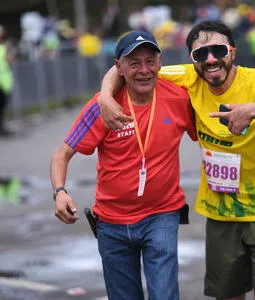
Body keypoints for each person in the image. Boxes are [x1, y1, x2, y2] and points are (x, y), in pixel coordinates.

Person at [97, 21, 255, 300]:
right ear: (192, 60)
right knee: (227, 294)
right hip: (221, 211)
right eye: (200, 54)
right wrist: (105, 97)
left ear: (233, 52)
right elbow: (128, 67)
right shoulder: (188, 77)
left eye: (218, 50)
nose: (211, 59)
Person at [50, 30, 197, 300]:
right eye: (134, 63)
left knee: (165, 295)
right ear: (119, 67)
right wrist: (59, 192)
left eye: (150, 61)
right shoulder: (103, 107)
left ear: (160, 62)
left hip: (162, 216)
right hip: (112, 224)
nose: (144, 70)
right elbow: (62, 154)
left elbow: (210, 133)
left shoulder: (179, 98)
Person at [0, 25, 14, 136]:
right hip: (3, 82)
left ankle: (2, 127)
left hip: (4, 82)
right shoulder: (3, 47)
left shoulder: (3, 47)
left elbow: (9, 60)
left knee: (2, 107)